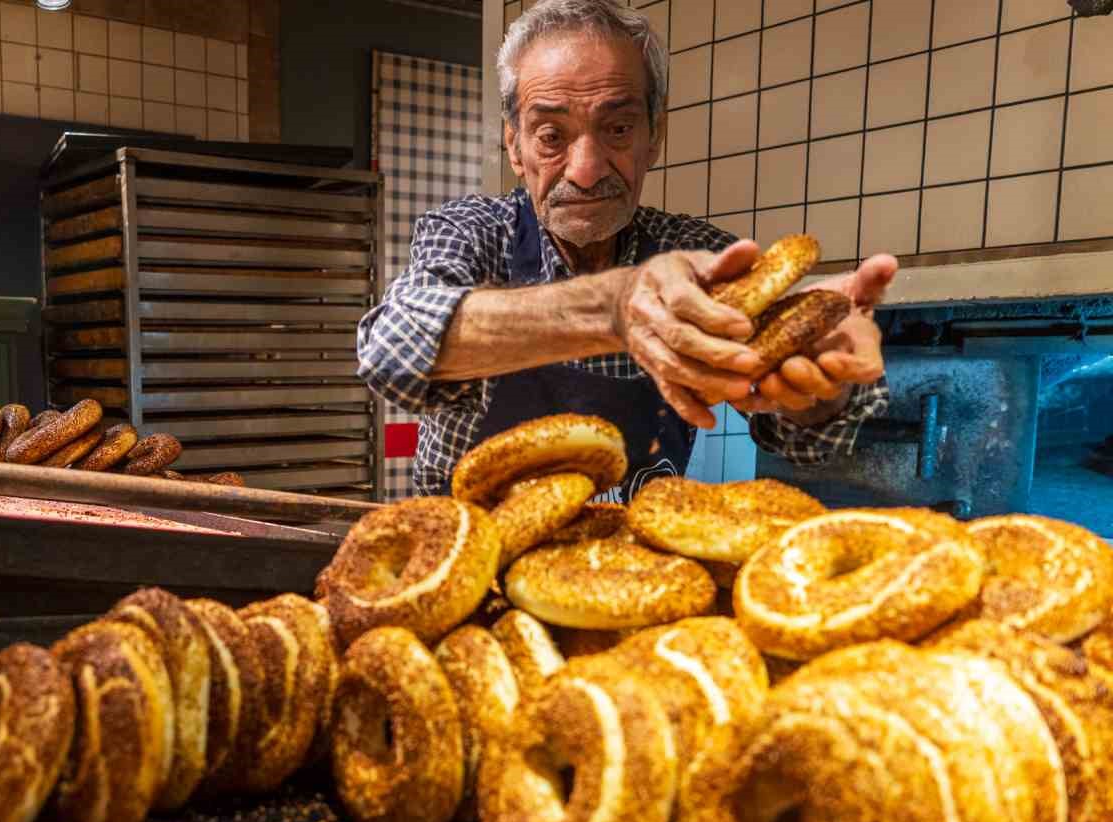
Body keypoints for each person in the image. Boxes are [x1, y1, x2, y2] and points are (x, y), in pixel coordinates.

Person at [357, 0, 896, 500]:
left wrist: (818, 387)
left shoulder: (704, 257)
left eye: (617, 128)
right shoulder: (472, 233)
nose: (586, 170)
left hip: (630, 574)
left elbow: (806, 442)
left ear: (653, 138)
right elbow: (391, 350)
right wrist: (615, 308)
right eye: (551, 135)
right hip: (464, 568)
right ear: (514, 147)